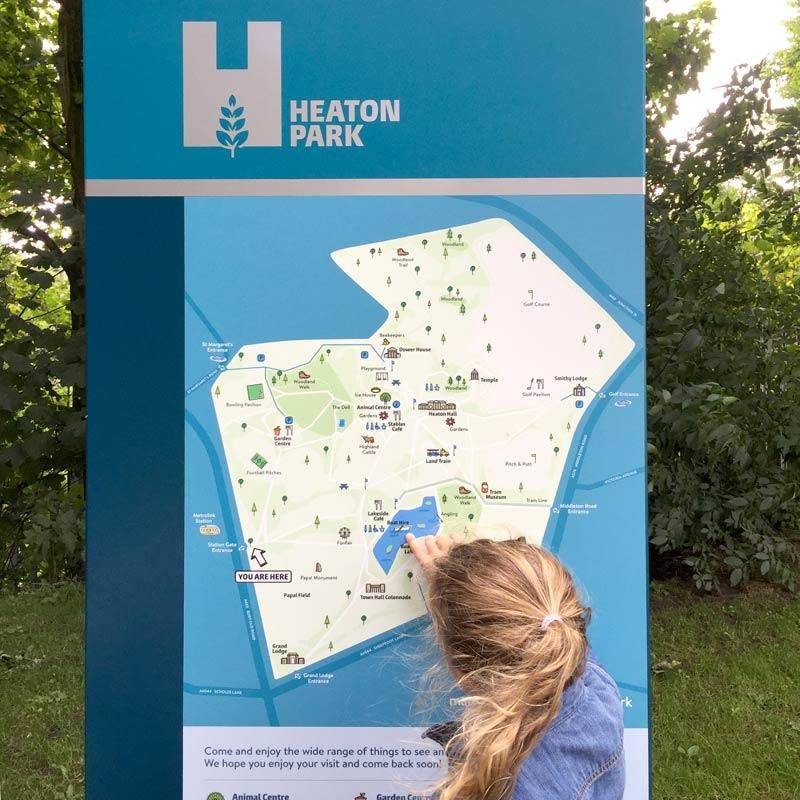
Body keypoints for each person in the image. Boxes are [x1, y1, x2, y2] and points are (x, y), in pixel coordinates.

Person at [405, 531, 625, 800]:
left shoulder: (498, 787)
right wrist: (459, 596)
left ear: (465, 676)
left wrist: (454, 597)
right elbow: (552, 626)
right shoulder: (600, 692)